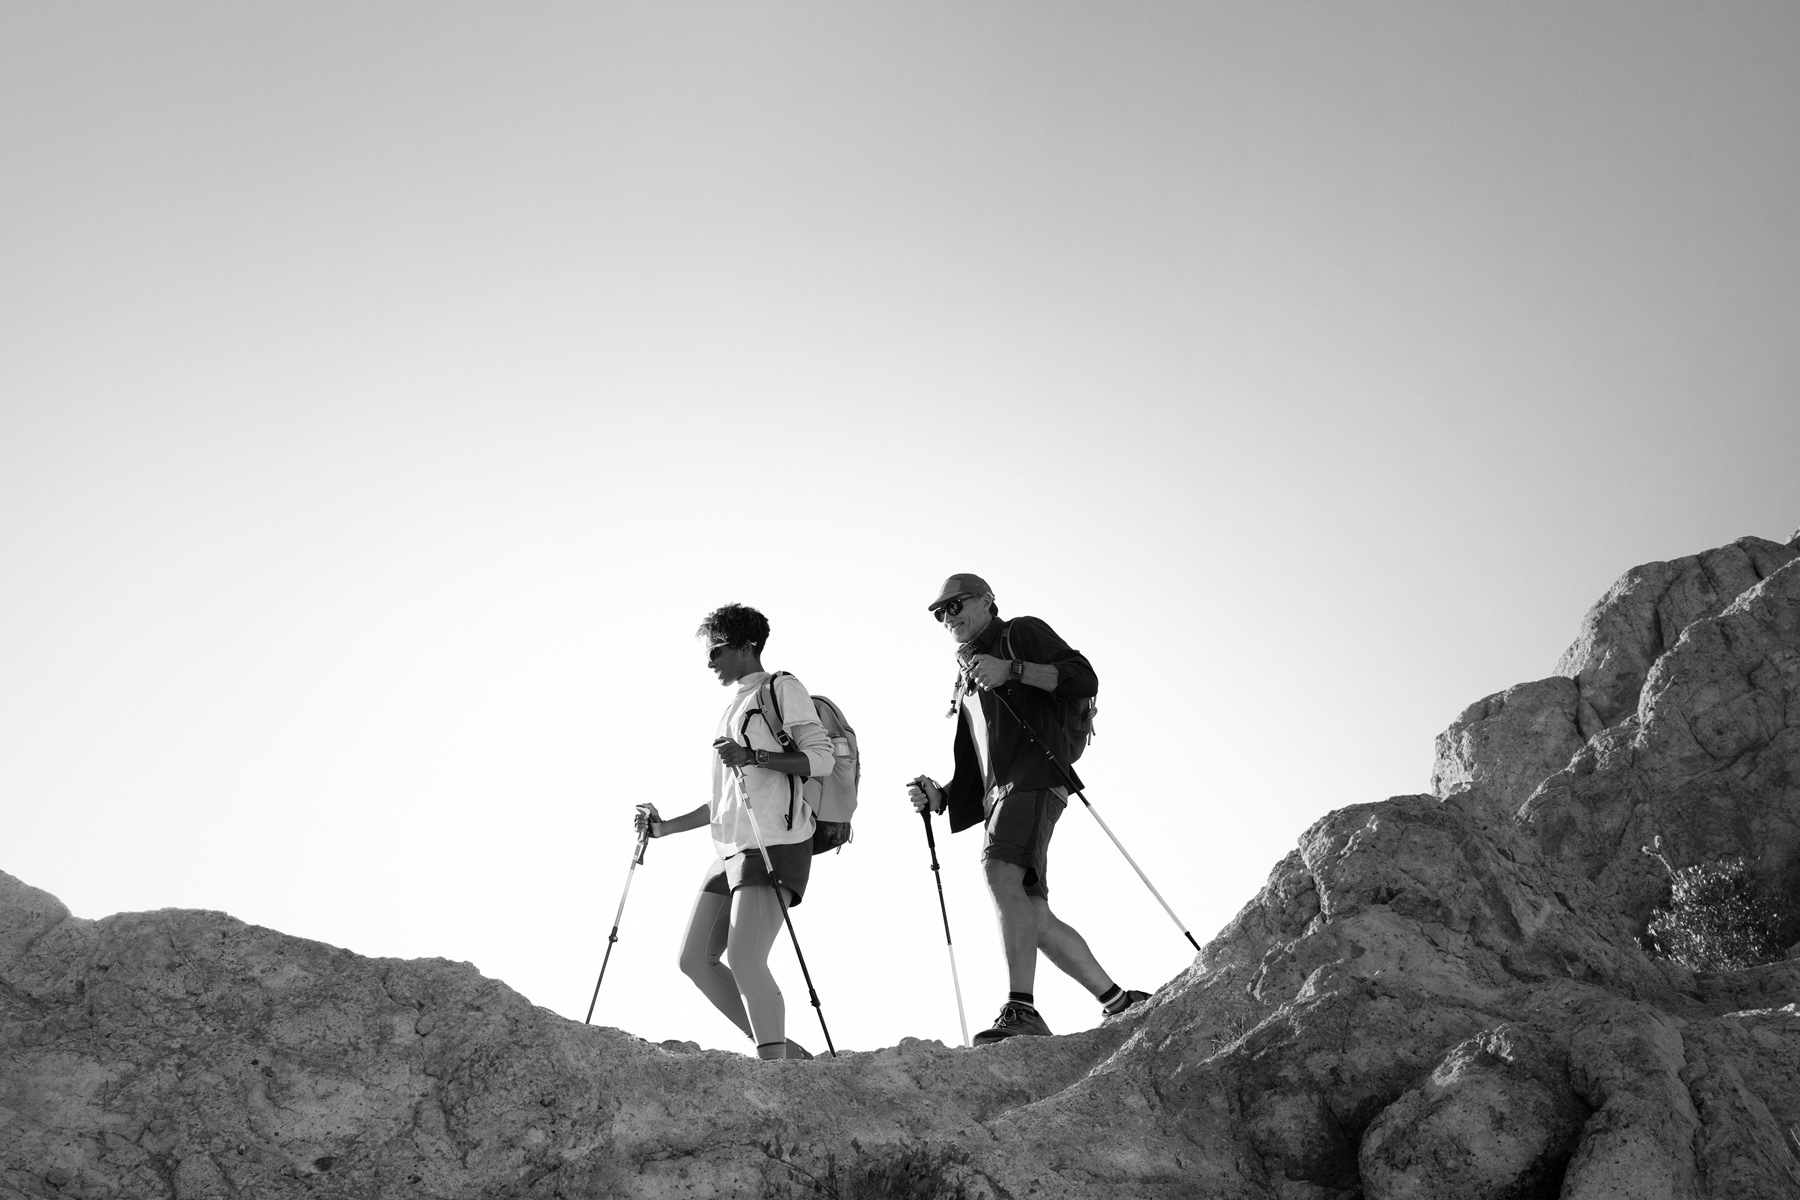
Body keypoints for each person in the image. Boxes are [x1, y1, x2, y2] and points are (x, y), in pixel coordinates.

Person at [908, 574, 1148, 1045]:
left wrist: (1011, 670)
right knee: (1032, 912)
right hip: (1004, 792)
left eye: (956, 606)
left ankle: (1022, 1010)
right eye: (940, 613)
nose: (947, 617)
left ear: (986, 602)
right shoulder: (965, 678)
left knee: (1000, 873)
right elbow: (983, 765)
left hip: (1036, 777)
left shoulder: (1021, 632)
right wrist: (943, 796)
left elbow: (1083, 676)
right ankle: (1120, 1001)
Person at [635, 603, 835, 1061]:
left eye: (718, 651)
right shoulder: (733, 707)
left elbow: (820, 759)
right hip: (729, 850)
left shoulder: (782, 688)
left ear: (747, 646)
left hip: (775, 845)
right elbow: (724, 800)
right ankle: (786, 1053)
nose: (710, 662)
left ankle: (777, 1068)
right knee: (693, 961)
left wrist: (753, 757)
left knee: (746, 960)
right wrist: (663, 829)